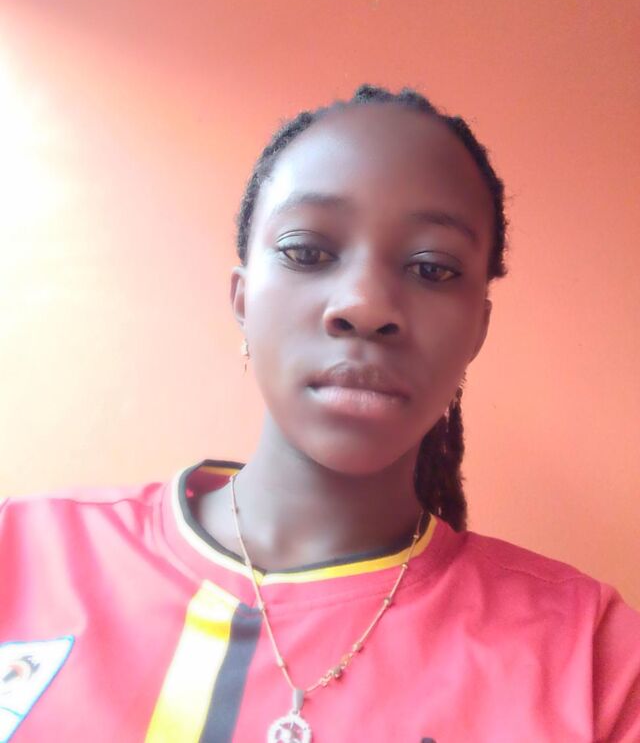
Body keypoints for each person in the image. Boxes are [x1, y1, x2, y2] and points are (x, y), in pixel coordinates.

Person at [0, 85, 638, 743]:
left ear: (479, 327)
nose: (366, 305)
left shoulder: (592, 659)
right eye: (307, 252)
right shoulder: (19, 553)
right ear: (243, 300)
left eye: (431, 267)